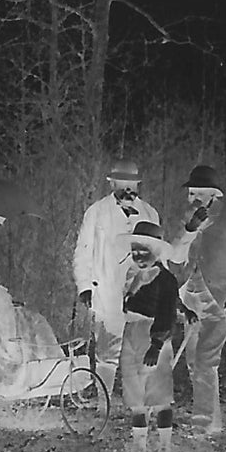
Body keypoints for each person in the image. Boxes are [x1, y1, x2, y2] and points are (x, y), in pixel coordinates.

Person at [164, 165, 226, 435]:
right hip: (191, 297)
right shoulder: (188, 217)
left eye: (198, 193)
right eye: (191, 193)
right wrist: (190, 230)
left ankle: (202, 422)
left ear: (214, 195)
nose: (192, 198)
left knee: (206, 359)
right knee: (194, 361)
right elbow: (175, 257)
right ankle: (213, 422)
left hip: (219, 298)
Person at [74, 160, 159, 394]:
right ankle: (105, 406)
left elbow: (158, 255)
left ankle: (143, 406)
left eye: (132, 185)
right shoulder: (98, 212)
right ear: (113, 184)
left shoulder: (150, 213)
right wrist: (85, 287)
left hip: (143, 295)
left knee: (142, 349)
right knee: (107, 354)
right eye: (123, 184)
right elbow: (83, 251)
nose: (128, 190)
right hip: (107, 292)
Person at [119, 221, 181, 452]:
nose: (139, 257)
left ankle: (165, 449)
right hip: (131, 332)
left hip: (153, 335)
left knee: (158, 394)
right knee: (135, 395)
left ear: (156, 252)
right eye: (135, 252)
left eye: (145, 252)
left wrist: (156, 344)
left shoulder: (166, 279)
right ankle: (139, 450)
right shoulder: (133, 275)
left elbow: (167, 312)